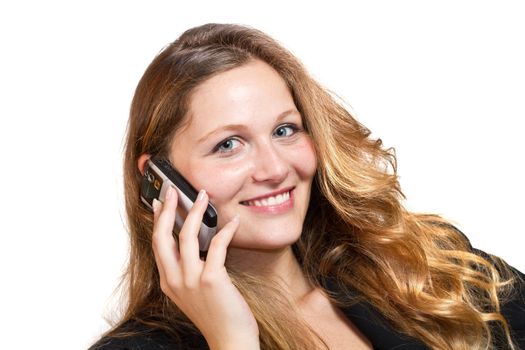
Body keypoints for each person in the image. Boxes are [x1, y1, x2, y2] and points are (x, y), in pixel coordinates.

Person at [90, 23, 525, 350]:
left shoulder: (427, 266)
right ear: (159, 179)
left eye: (284, 131)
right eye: (228, 144)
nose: (274, 168)